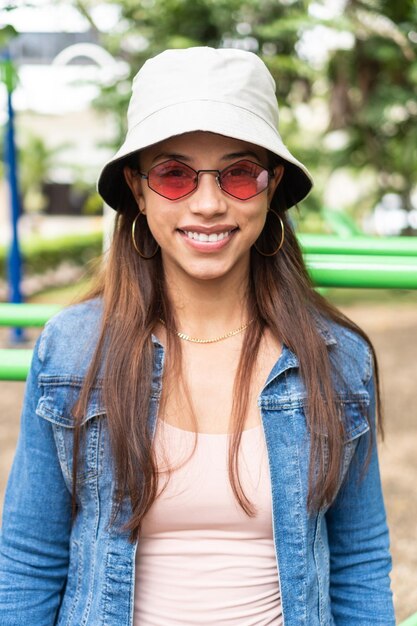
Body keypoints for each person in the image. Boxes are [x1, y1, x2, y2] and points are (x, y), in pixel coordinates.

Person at [0, 47, 395, 625]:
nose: (208, 204)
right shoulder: (72, 349)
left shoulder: (336, 358)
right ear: (137, 188)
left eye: (238, 173)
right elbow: (29, 561)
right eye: (174, 174)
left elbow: (359, 562)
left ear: (271, 185)